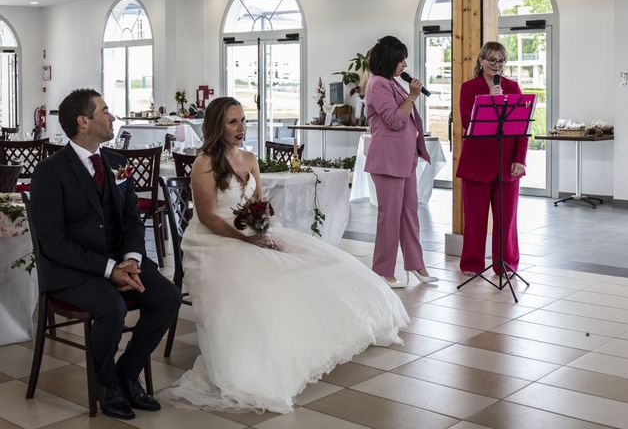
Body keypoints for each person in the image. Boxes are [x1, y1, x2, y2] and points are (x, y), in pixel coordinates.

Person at [161, 97, 408, 414]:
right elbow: (208, 217)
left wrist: (262, 232)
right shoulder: (204, 163)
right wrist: (247, 239)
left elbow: (258, 206)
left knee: (320, 263)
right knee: (260, 281)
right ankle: (261, 358)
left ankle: (307, 344)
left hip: (250, 233)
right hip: (212, 241)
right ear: (216, 126)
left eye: (243, 120)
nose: (241, 127)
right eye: (232, 122)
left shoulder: (250, 159)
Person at [30, 89, 182, 420]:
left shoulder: (117, 163)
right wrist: (109, 268)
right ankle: (106, 384)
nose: (113, 116)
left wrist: (131, 259)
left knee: (167, 296)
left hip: (119, 261)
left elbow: (131, 219)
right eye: (105, 110)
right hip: (71, 271)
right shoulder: (49, 172)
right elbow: (54, 242)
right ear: (84, 122)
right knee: (111, 308)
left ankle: (125, 375)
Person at [364, 35, 439, 288]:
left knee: (409, 213)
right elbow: (395, 120)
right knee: (390, 216)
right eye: (401, 60)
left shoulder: (391, 82)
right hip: (387, 161)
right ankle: (383, 271)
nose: (405, 65)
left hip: (405, 159)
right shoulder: (377, 85)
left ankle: (416, 264)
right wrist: (413, 96)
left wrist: (410, 94)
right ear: (389, 60)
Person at [456, 41, 527, 276]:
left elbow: (521, 128)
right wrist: (489, 97)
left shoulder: (513, 87)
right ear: (481, 61)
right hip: (477, 162)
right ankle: (472, 264)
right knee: (475, 220)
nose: (497, 65)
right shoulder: (469, 88)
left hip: (507, 164)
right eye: (492, 60)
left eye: (501, 61)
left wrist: (520, 159)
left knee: (506, 221)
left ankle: (505, 264)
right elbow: (467, 122)